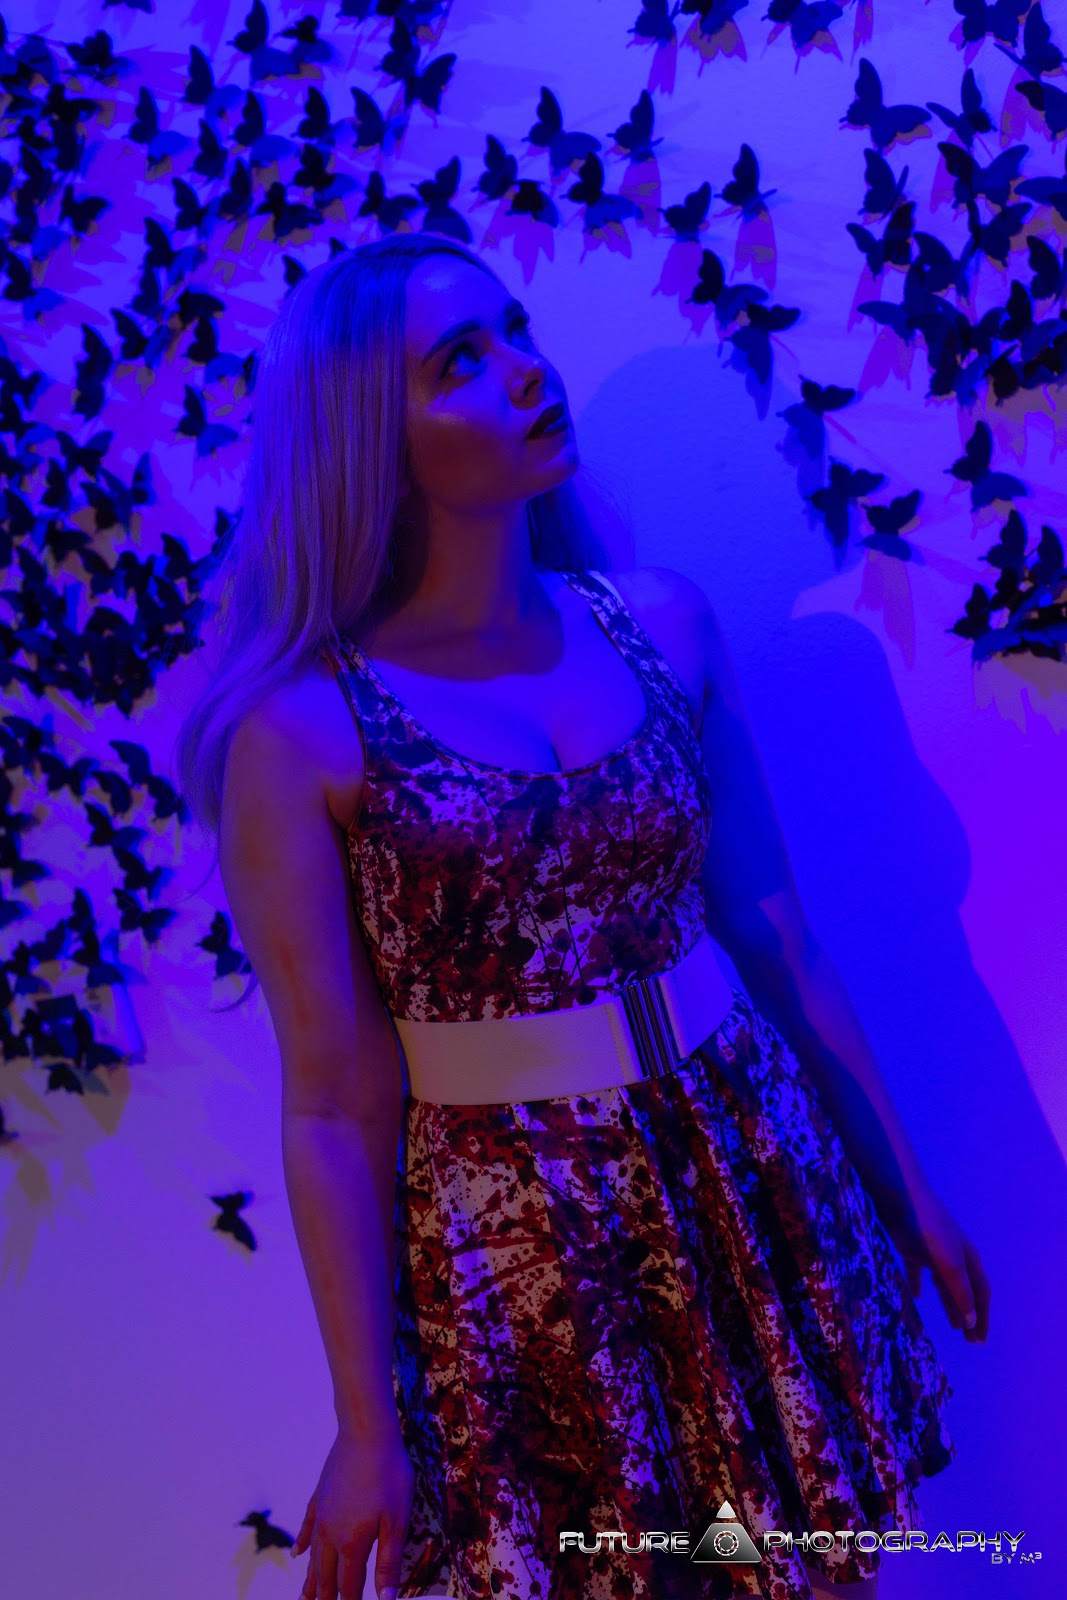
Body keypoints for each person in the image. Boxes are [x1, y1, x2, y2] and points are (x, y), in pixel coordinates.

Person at [175, 233, 990, 1600]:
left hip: (750, 1165)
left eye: (514, 330)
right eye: (459, 362)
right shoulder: (302, 731)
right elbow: (333, 1101)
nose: (524, 371)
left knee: (813, 1569)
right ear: (371, 439)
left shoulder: (662, 625)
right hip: (525, 1243)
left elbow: (775, 933)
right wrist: (366, 1426)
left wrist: (900, 1180)